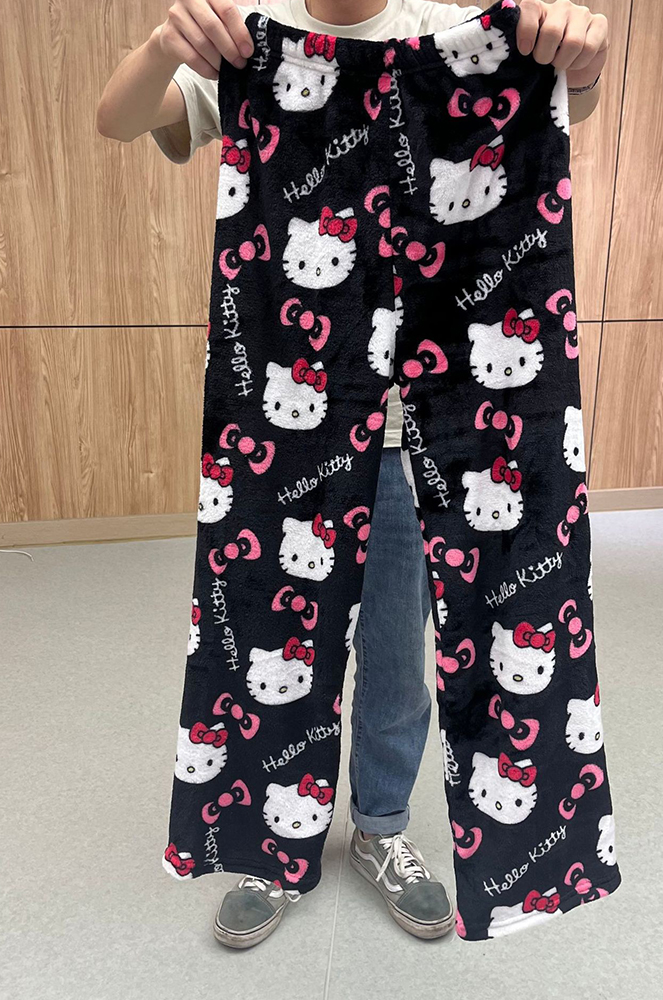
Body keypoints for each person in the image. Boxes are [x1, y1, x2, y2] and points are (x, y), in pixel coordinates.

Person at [97, 0, 609, 946]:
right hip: (300, 388)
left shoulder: (454, 26)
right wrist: (167, 44)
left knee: (407, 646)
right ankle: (272, 842)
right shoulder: (250, 34)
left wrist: (578, 52)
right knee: (268, 608)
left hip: (431, 421)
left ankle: (381, 826)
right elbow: (117, 118)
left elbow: (568, 94)